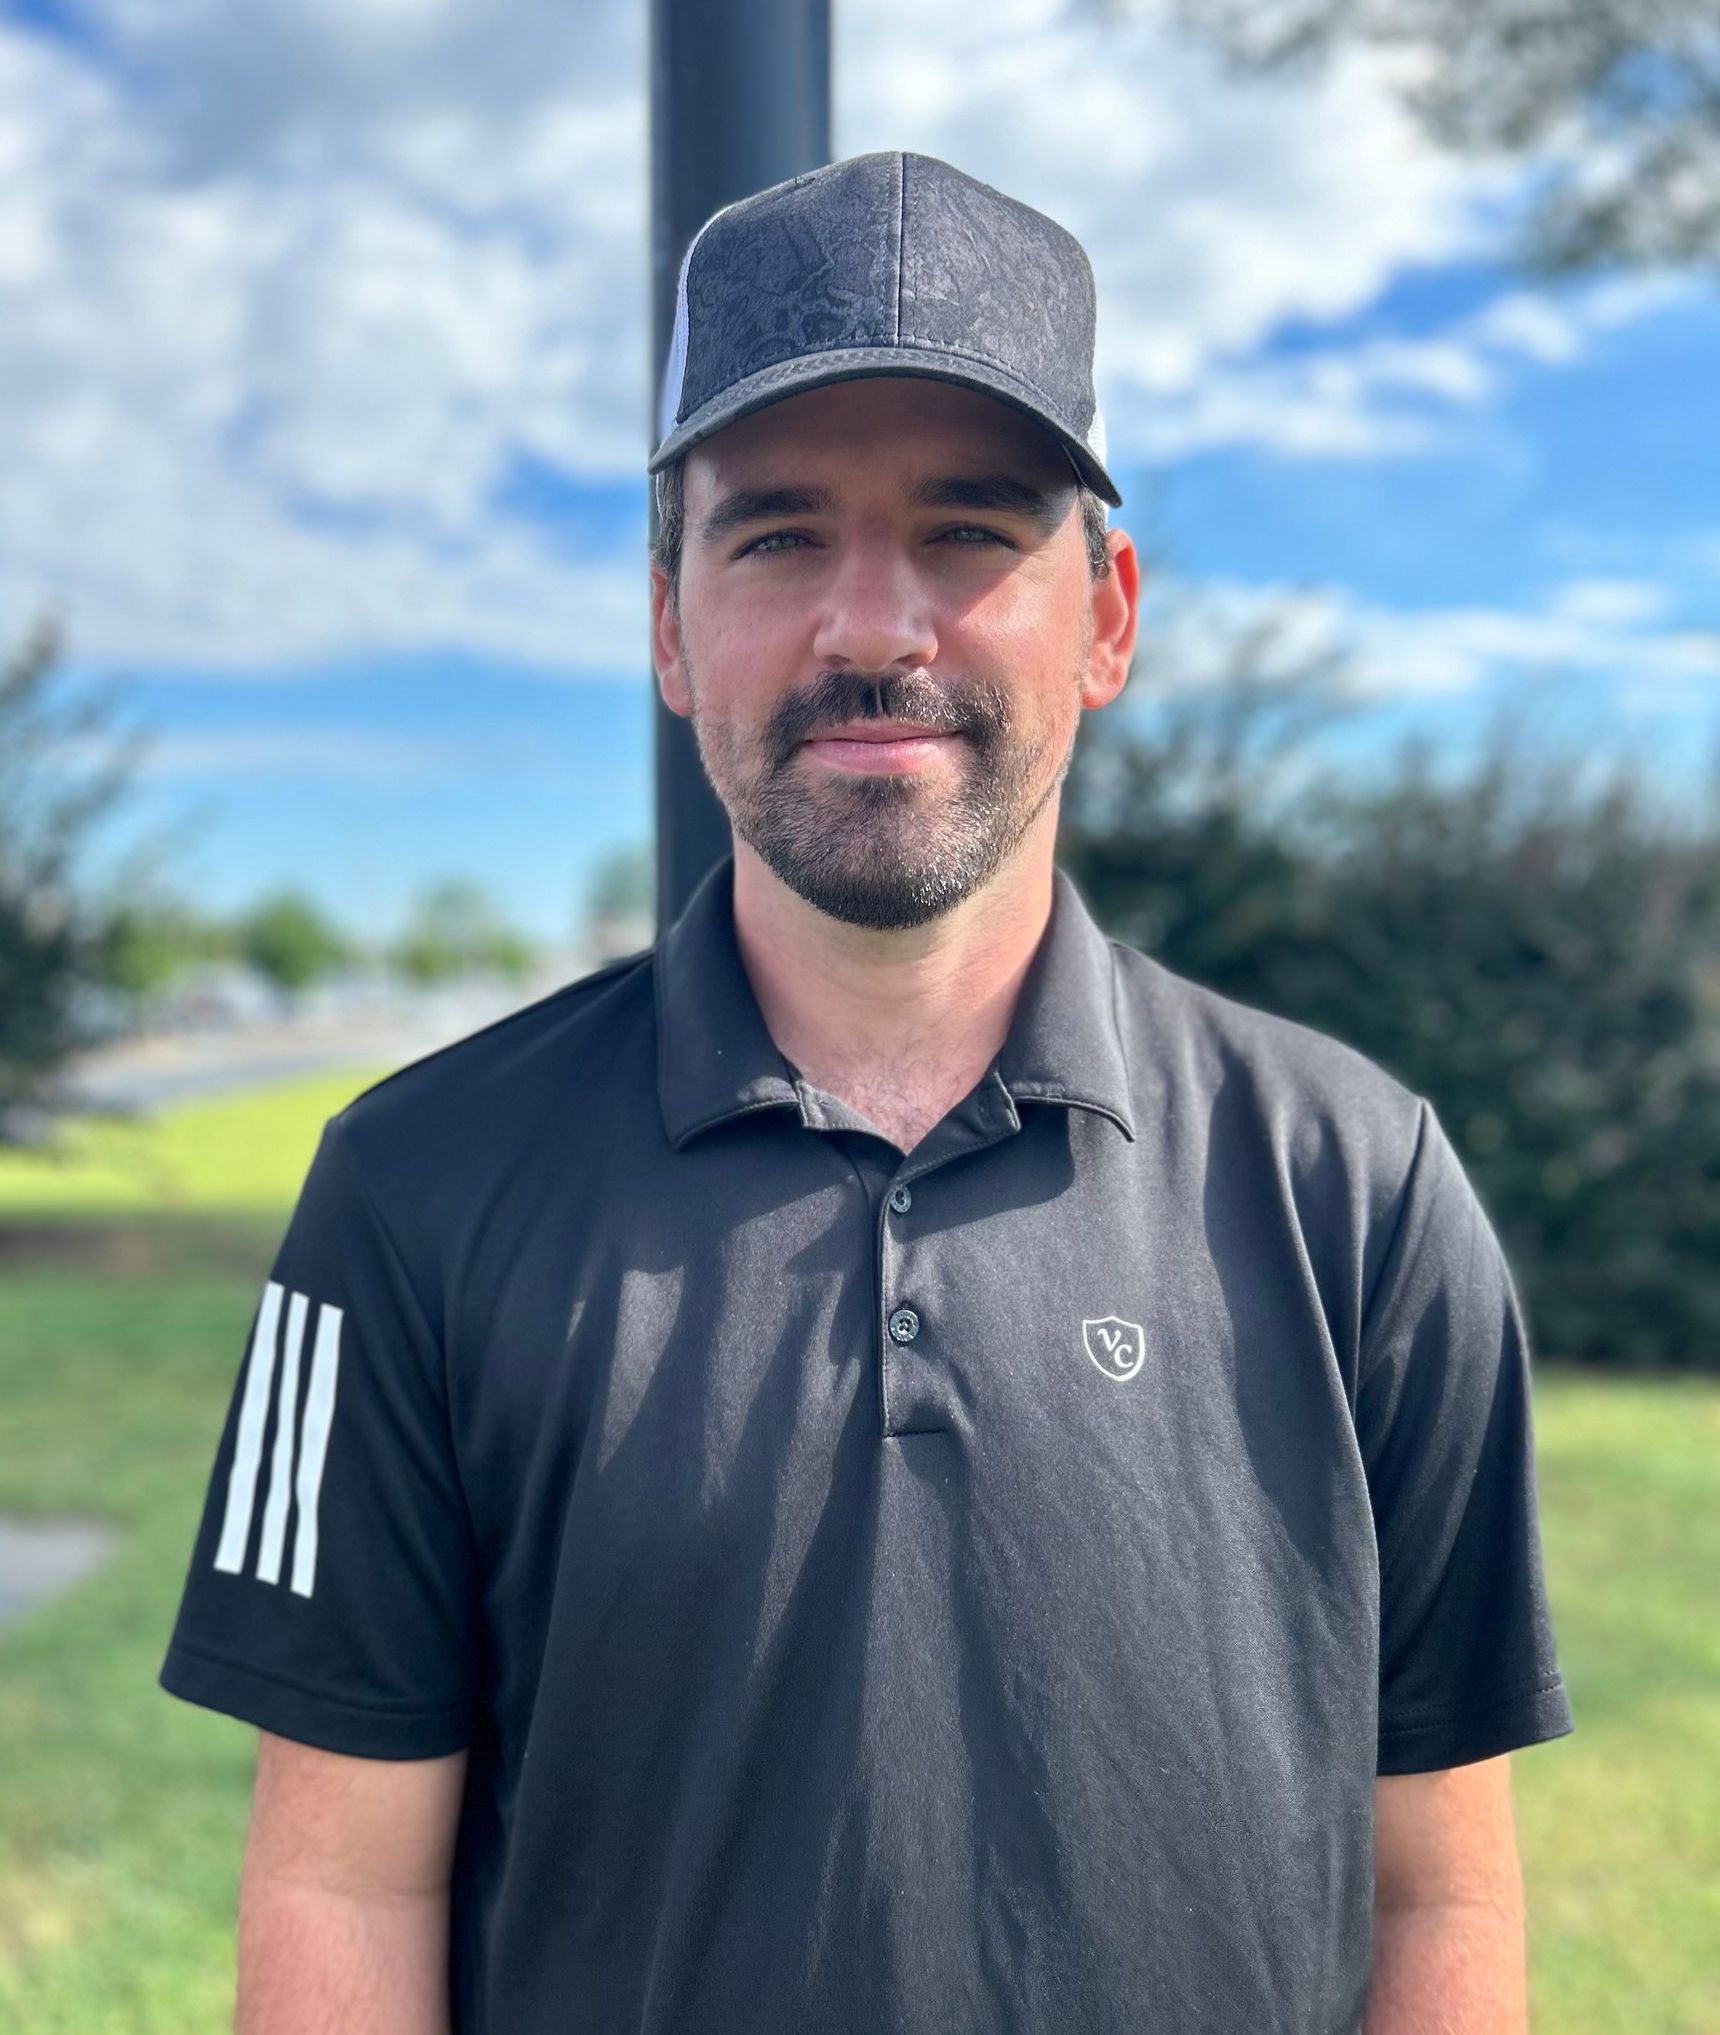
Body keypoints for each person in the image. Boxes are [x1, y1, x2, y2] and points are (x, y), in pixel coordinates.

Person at [160, 150, 1574, 2035]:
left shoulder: (1362, 1187)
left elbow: (1443, 1900)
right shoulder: (407, 1190)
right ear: (668, 622)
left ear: (1111, 614)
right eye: (778, 536)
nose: (875, 626)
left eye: (972, 533)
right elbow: (344, 1886)